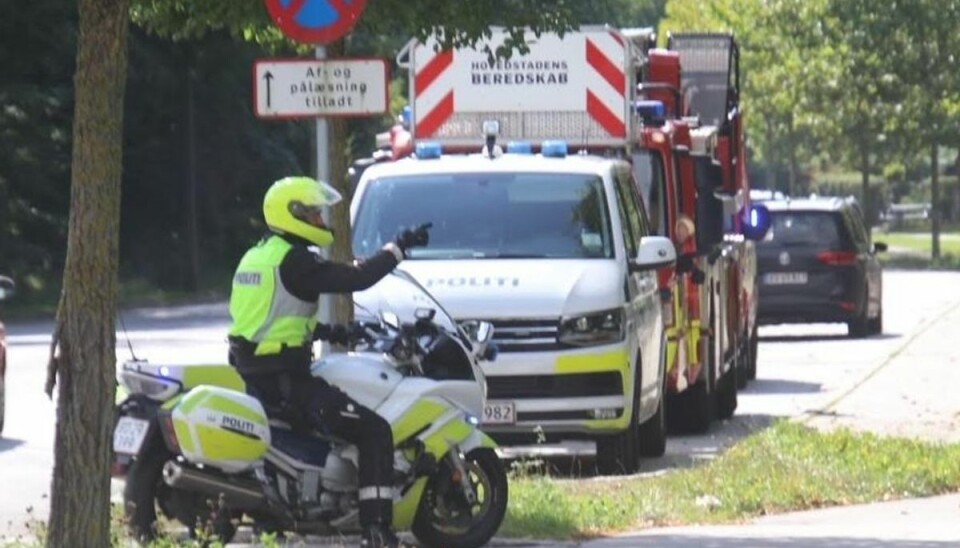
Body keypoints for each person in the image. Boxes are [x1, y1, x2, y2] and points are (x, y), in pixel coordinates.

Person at [227, 176, 429, 548]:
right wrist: (397, 248)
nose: (321, 221)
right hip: (288, 381)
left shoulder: (258, 256)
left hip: (261, 375)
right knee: (374, 431)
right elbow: (358, 277)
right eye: (315, 214)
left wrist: (330, 333)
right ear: (294, 215)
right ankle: (377, 531)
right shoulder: (296, 261)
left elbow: (266, 321)